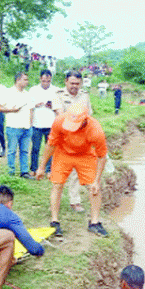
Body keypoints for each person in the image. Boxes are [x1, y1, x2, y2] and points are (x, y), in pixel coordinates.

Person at [35, 103, 109, 237]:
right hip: (63, 153)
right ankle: (54, 221)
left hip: (85, 155)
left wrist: (97, 181)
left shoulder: (95, 130)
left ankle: (94, 223)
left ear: (85, 120)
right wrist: (41, 167)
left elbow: (102, 156)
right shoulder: (59, 121)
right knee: (57, 185)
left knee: (94, 188)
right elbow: (51, 144)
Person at [51, 70, 91, 214]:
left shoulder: (85, 95)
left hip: (80, 138)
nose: (75, 86)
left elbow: (89, 115)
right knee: (61, 170)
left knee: (75, 170)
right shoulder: (58, 95)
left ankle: (75, 201)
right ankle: (55, 200)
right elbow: (60, 115)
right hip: (63, 137)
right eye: (72, 83)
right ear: (66, 82)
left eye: (77, 84)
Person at [0, 72, 34, 178]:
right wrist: (11, 110)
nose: (27, 82)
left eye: (27, 80)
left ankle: (24, 171)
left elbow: (31, 110)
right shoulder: (8, 92)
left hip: (26, 128)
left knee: (24, 150)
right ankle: (11, 172)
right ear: (18, 80)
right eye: (25, 79)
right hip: (13, 127)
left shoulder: (27, 94)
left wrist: (30, 125)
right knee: (12, 151)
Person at [29, 69, 58, 176]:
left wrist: (52, 106)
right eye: (44, 80)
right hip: (37, 123)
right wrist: (36, 105)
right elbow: (30, 106)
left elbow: (59, 106)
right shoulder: (33, 90)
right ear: (40, 78)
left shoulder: (56, 90)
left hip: (51, 123)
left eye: (48, 81)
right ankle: (34, 168)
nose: (46, 83)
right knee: (35, 147)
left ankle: (48, 169)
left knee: (50, 148)